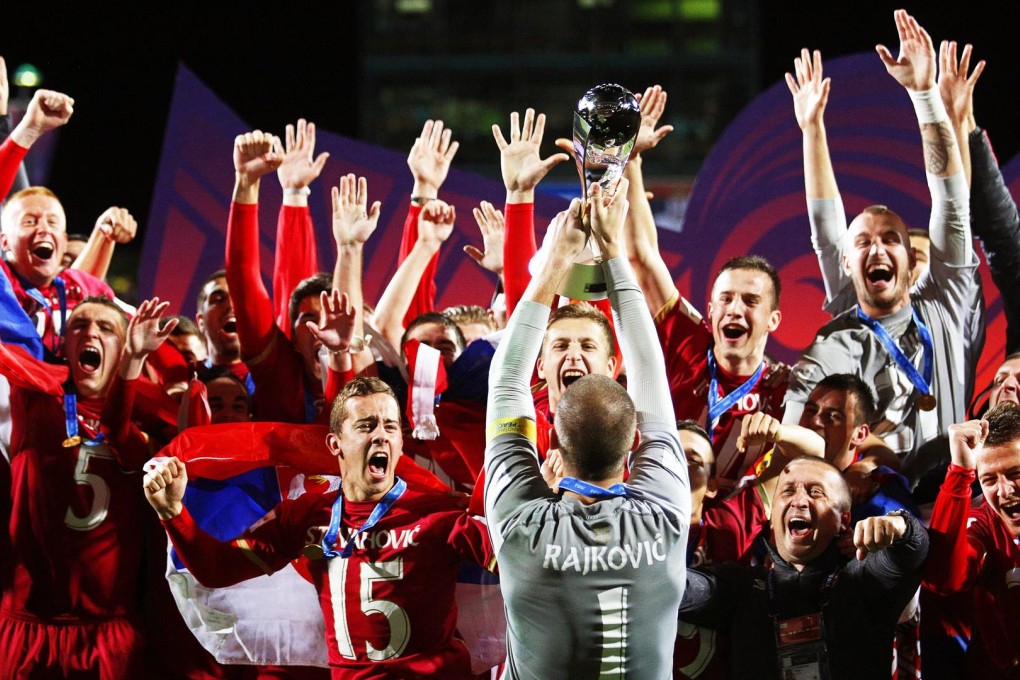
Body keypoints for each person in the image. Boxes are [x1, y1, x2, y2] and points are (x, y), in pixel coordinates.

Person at [144, 376, 495, 679]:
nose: (381, 436)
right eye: (366, 425)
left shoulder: (438, 512)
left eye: (390, 426)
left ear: (402, 443)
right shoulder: (306, 517)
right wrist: (173, 512)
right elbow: (217, 570)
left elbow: (519, 562)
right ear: (334, 444)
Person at [485, 179, 689, 678]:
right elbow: (651, 370)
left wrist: (553, 262)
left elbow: (507, 379)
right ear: (632, 446)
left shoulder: (521, 528)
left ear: (552, 429)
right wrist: (615, 252)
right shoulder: (665, 515)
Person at [783, 11, 974, 485]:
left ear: (913, 261)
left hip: (954, 495)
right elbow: (826, 227)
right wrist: (812, 129)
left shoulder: (945, 304)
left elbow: (952, 203)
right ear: (847, 264)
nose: (877, 248)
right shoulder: (842, 325)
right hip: (873, 502)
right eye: (863, 242)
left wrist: (924, 95)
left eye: (891, 238)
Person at [612, 86, 788, 497]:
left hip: (735, 540)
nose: (735, 310)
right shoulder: (687, 341)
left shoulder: (786, 387)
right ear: (709, 309)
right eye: (725, 299)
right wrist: (631, 159)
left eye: (750, 301)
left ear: (774, 319)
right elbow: (640, 257)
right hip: (653, 512)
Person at [0, 297, 176, 678]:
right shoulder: (33, 397)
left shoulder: (148, 425)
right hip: (26, 624)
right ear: (64, 345)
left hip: (106, 632)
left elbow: (120, 433)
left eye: (106, 327)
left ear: (125, 346)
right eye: (78, 326)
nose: (90, 332)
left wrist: (135, 358)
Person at [681, 455, 928, 679]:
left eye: (816, 492)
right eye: (787, 491)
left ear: (844, 520)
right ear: (771, 518)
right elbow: (675, 586)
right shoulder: (740, 587)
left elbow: (913, 550)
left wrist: (900, 524)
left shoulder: (865, 578)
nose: (799, 500)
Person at [924, 403, 1020, 677]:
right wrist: (959, 472)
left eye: (1016, 474)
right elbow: (944, 579)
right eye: (989, 479)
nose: (1004, 491)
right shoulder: (984, 524)